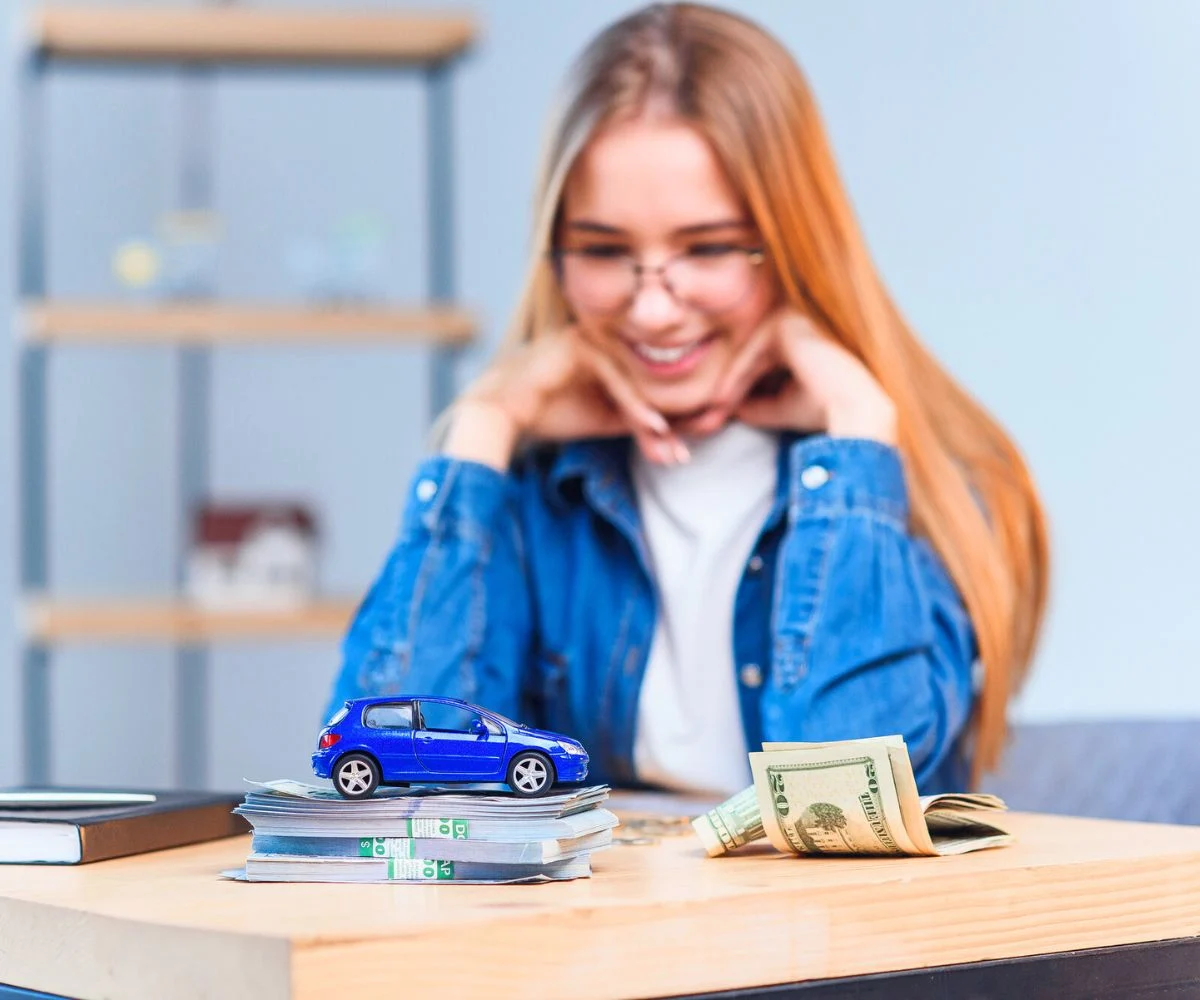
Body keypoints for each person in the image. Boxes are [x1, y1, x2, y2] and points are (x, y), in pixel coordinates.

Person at [324, 2, 1049, 795]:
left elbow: (846, 802)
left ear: (794, 242)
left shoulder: (930, 487)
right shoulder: (527, 496)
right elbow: (388, 794)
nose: (654, 310)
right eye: (604, 251)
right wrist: (485, 425)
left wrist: (855, 431)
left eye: (707, 248)